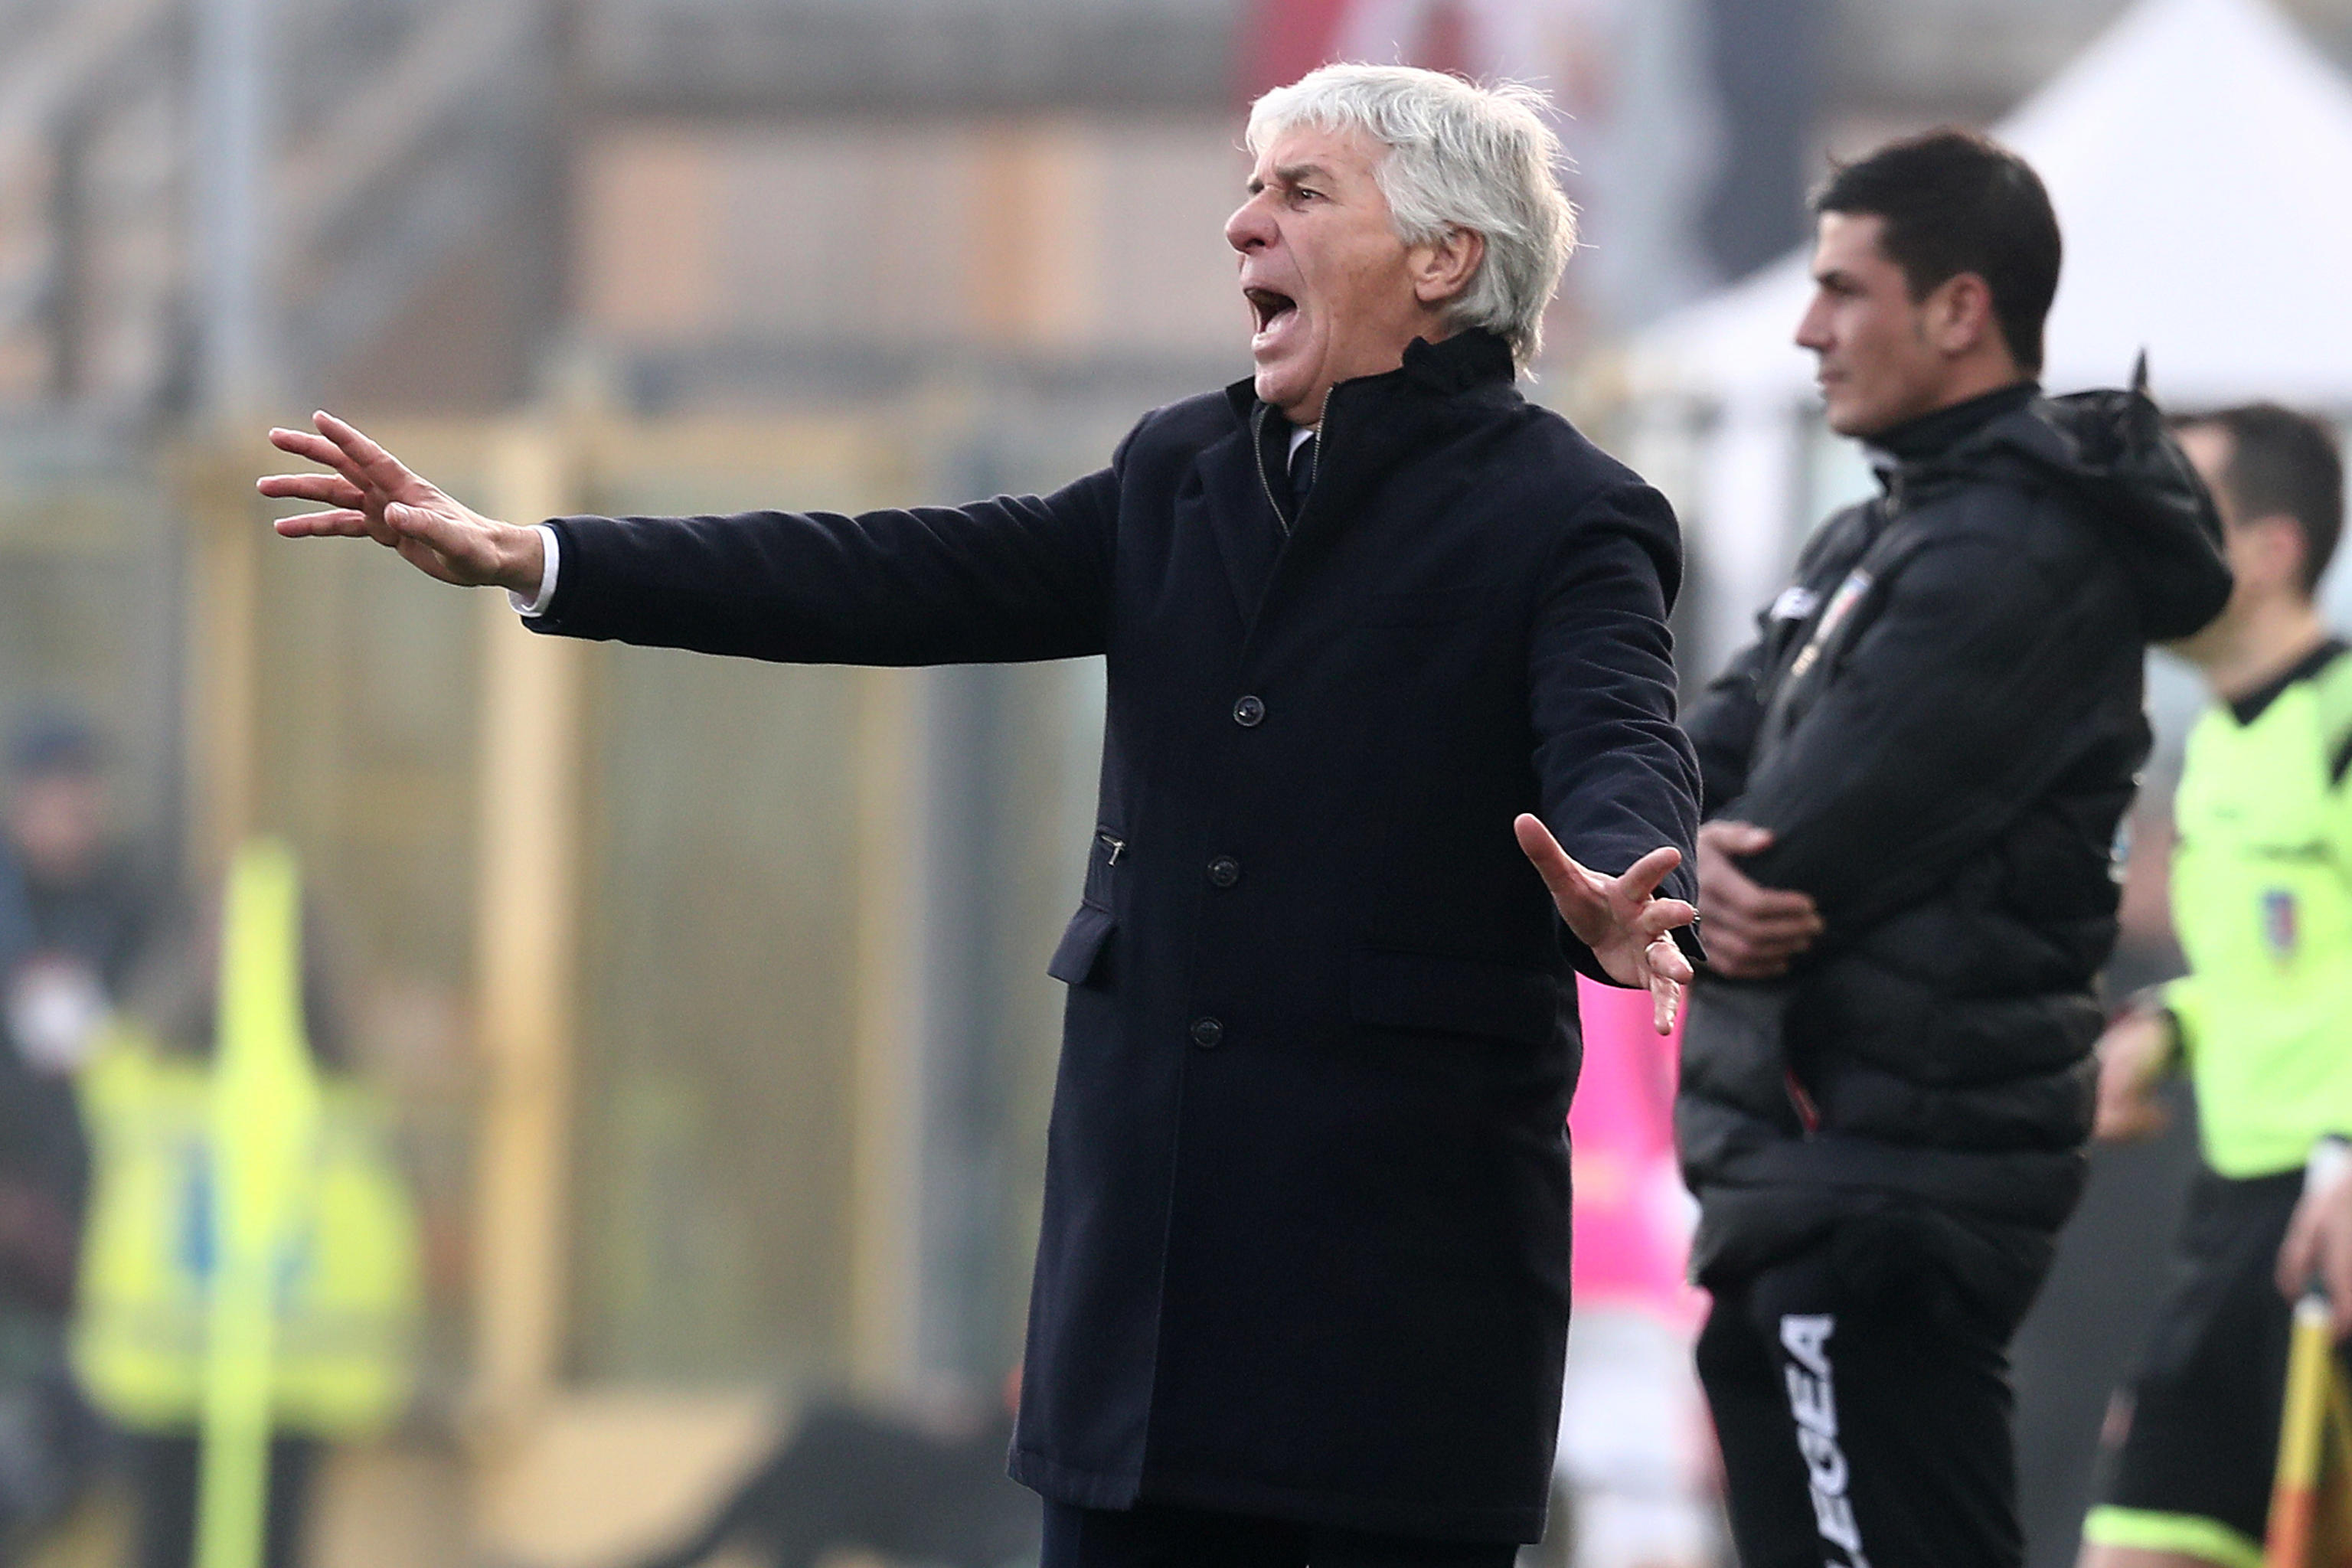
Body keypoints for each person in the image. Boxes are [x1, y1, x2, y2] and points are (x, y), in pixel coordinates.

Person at [258, 64, 1706, 1568]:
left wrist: (1614, 884)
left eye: (1298, 192)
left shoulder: (1564, 511)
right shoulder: (1181, 474)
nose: (1240, 226)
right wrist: (547, 556)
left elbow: (1616, 730)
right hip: (1136, 1353)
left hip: (1386, 1350)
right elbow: (884, 572)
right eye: (1248, 185)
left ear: (1442, 260)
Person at [1674, 128, 2231, 1568]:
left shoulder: (2015, 550)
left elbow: (1793, 836)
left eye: (1844, 290)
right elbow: (1701, 768)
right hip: (1808, 1173)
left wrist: (1709, 857)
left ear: (1959, 309)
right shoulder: (1873, 533)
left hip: (1885, 1178)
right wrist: (1687, 849)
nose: (1807, 328)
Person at [2079, 403, 2349, 1568]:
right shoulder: (2223, 743)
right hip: (2235, 1224)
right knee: (2139, 1542)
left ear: (2272, 551)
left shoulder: (2340, 722)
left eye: (2181, 503)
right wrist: (2169, 1031)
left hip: (2333, 1211)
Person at [0, 713, 160, 1554]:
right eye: (56, 795)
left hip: (109, 1224)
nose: (73, 814)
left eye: (84, 793)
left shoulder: (131, 906)